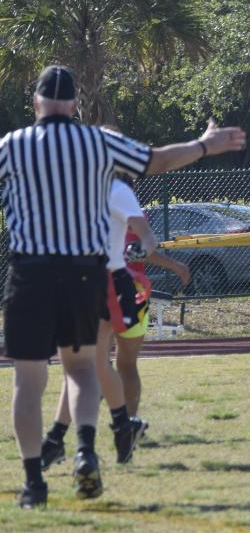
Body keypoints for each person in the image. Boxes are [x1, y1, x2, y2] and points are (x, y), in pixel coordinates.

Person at [2, 65, 245, 509]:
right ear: (75, 105)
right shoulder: (98, 142)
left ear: (35, 102)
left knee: (28, 381)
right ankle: (85, 452)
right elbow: (158, 159)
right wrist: (205, 146)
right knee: (81, 369)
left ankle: (34, 482)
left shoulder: (12, 145)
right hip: (84, 271)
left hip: (31, 271)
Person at [40, 169, 192, 470]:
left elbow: (145, 245)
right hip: (91, 284)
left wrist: (164, 259)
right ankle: (118, 427)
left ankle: (108, 429)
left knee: (101, 364)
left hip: (118, 288)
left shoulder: (118, 195)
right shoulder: (79, 190)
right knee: (87, 366)